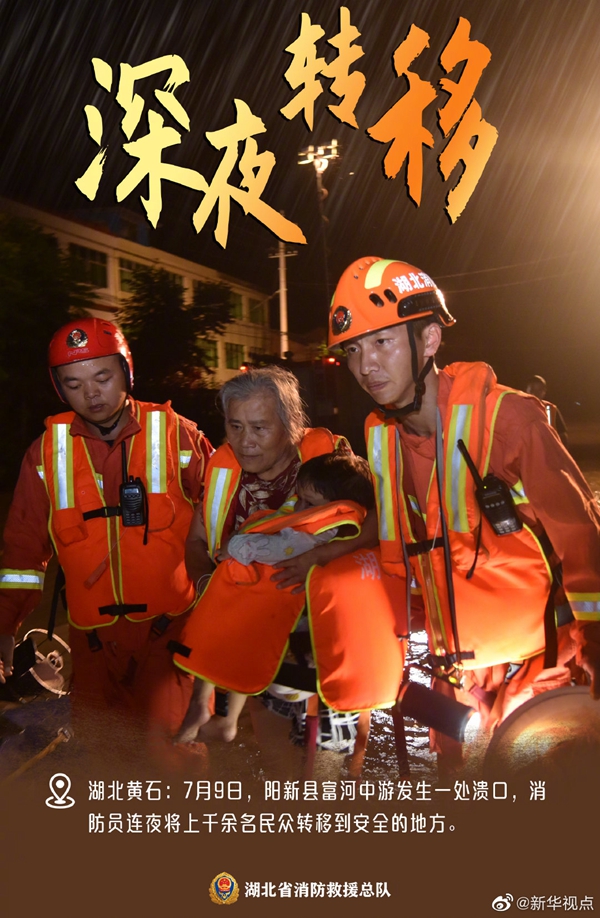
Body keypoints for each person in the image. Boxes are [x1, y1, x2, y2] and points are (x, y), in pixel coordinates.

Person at [328, 256, 600, 766]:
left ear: (429, 340)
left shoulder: (509, 419)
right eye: (353, 350)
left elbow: (580, 533)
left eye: (382, 342)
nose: (365, 366)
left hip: (540, 666)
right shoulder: (381, 435)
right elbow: (403, 538)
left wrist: (596, 639)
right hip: (454, 677)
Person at [0, 317, 213, 760]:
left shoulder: (178, 435)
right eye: (73, 383)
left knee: (169, 756)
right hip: (92, 644)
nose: (91, 393)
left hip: (170, 632)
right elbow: (22, 551)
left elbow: (228, 515)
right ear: (59, 388)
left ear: (126, 372)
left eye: (102, 377)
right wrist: (4, 626)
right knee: (103, 759)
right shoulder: (45, 452)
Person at [183, 366, 384, 760]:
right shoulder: (224, 471)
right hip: (259, 641)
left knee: (330, 769)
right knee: (277, 760)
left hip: (326, 640)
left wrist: (322, 555)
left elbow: (381, 520)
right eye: (235, 426)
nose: (245, 441)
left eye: (259, 428)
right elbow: (196, 540)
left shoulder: (334, 463)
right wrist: (207, 584)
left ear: (291, 424)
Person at [174, 452, 377, 744]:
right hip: (306, 661)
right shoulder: (349, 528)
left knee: (234, 620)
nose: (300, 508)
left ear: (339, 506)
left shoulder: (322, 532)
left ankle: (215, 713)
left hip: (300, 665)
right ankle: (225, 719)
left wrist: (236, 546)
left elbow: (281, 548)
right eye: (300, 499)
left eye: (309, 503)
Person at [525, 374, 569, 448]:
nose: (534, 393)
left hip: (548, 451)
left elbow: (562, 435)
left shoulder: (551, 409)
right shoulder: (519, 408)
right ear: (526, 390)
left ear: (544, 392)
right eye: (531, 390)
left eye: (538, 390)